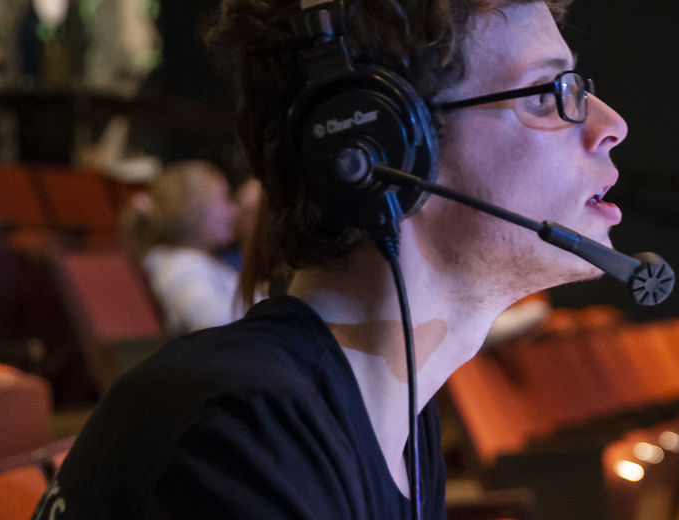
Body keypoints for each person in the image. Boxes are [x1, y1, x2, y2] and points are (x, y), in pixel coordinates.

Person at [35, 0, 625, 516]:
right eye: (552, 95)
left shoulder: (396, 424)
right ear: (383, 141)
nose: (611, 125)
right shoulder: (242, 438)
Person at [120, 160, 244, 335]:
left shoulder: (193, 262)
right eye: (223, 200)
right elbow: (210, 325)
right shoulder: (181, 267)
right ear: (194, 212)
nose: (232, 211)